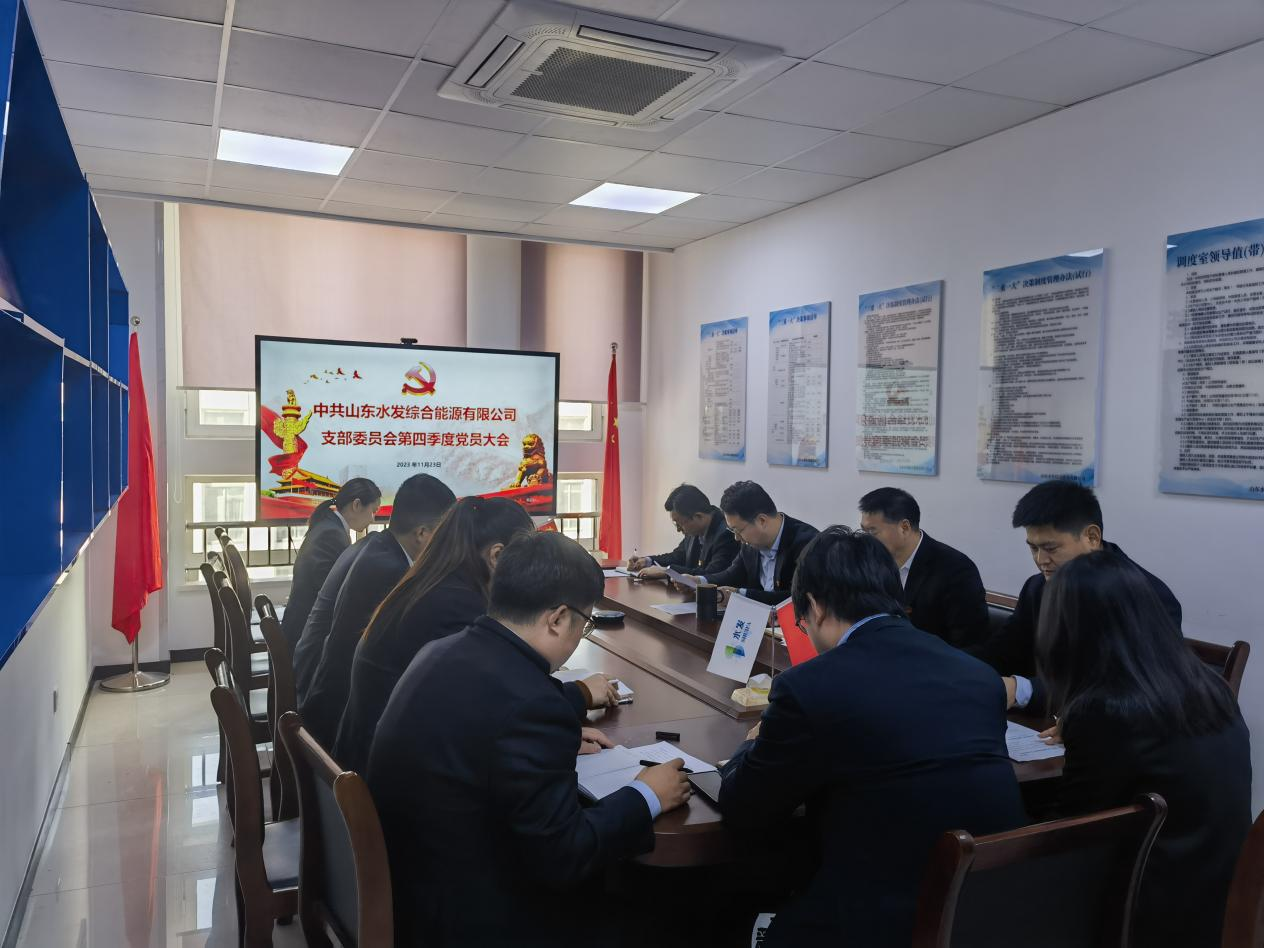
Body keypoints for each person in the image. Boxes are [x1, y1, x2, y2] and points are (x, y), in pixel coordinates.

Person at [367, 531, 692, 947]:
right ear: (557, 619)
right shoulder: (531, 705)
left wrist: (553, 741)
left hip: (413, 886)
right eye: (584, 624)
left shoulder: (442, 649)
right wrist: (646, 795)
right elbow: (564, 855)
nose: (580, 636)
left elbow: (487, 731)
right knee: (665, 915)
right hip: (475, 918)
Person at [718, 526, 1026, 948]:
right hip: (991, 910)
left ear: (814, 607)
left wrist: (753, 742)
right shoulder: (978, 675)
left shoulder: (810, 686)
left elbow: (745, 807)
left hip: (876, 920)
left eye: (801, 623)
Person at [1037, 551, 1250, 948]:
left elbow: (1071, 834)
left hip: (1148, 912)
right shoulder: (1209, 686)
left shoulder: (1104, 708)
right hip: (1224, 895)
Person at [334, 497, 619, 772]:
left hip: (381, 759)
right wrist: (577, 698)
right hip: (388, 774)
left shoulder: (437, 584)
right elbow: (503, 700)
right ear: (497, 556)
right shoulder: (456, 606)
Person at [969, 480, 1182, 712]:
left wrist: (1023, 690)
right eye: (1033, 548)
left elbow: (1127, 688)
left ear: (1092, 537)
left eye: (1051, 548)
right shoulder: (1037, 587)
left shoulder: (1148, 596)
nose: (1040, 560)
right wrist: (951, 664)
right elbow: (1004, 650)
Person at [297, 473, 456, 744]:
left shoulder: (376, 546)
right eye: (445, 537)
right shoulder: (390, 572)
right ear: (422, 533)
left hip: (320, 697)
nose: (448, 547)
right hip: (336, 725)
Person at [858, 487, 988, 648]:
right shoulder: (870, 561)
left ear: (904, 527)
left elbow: (969, 644)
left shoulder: (955, 569)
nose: (866, 540)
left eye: (872, 532)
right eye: (864, 531)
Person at [280, 478, 381, 652]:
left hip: (302, 630)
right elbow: (333, 593)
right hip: (305, 640)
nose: (373, 519)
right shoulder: (331, 534)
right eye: (373, 511)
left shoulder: (330, 526)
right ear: (356, 505)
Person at [703, 481, 818, 606]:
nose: (736, 537)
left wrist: (740, 594)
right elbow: (732, 575)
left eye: (739, 530)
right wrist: (699, 581)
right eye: (732, 531)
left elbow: (798, 599)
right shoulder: (751, 542)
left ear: (762, 521)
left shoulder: (808, 545)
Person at [626, 483, 739, 579]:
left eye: (679, 524)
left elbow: (710, 575)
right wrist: (647, 561)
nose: (678, 529)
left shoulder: (726, 533)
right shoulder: (695, 529)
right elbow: (678, 556)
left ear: (698, 516)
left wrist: (667, 572)